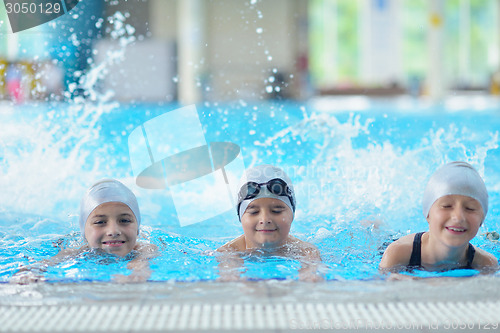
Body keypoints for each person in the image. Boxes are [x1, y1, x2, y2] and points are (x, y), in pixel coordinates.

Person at [11, 179, 157, 284]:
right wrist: (30, 271)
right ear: (84, 232)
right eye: (100, 222)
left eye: (124, 220)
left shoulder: (144, 247)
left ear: (137, 228)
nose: (113, 231)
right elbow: (51, 262)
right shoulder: (78, 251)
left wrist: (138, 274)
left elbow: (141, 263)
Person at [380, 161, 498, 274]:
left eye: (470, 208)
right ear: (428, 214)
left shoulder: (486, 263)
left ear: (482, 219)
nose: (458, 217)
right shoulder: (397, 253)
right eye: (446, 206)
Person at [216, 164, 322, 281]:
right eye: (254, 212)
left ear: (292, 215)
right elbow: (228, 277)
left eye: (276, 211)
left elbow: (313, 276)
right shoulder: (228, 252)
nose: (265, 219)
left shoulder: (306, 251)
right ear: (241, 217)